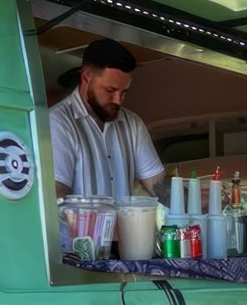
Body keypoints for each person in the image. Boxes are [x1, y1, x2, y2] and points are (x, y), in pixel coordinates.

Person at [50, 38, 166, 200]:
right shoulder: (58, 122)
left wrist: (189, 200)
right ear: (87, 76)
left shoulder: (132, 123)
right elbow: (55, 195)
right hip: (80, 219)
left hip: (123, 217)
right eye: (110, 90)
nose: (118, 100)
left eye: (124, 92)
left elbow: (157, 184)